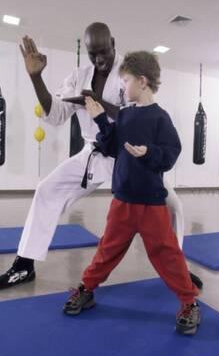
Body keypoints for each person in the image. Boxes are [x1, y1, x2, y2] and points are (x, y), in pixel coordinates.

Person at [0, 23, 202, 293]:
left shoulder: (130, 73)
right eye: (93, 54)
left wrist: (97, 103)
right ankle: (23, 265)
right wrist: (35, 78)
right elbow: (55, 114)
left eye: (103, 52)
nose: (99, 59)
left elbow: (138, 116)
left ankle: (177, 269)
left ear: (113, 43)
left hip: (128, 156)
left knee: (173, 207)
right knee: (47, 190)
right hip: (92, 151)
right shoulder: (79, 75)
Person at [63, 51, 201, 335]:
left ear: (142, 81)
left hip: (151, 203)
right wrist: (101, 120)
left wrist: (149, 152)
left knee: (167, 255)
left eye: (125, 81)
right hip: (122, 200)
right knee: (107, 250)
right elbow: (111, 146)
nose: (122, 87)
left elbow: (171, 153)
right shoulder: (124, 115)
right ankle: (86, 289)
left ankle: (189, 303)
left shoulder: (161, 118)